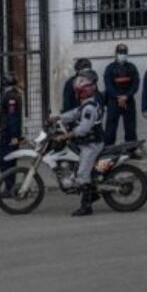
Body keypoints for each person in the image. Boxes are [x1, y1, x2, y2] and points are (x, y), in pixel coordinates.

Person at [52, 70, 104, 217]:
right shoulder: (85, 105)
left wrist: (65, 136)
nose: (77, 94)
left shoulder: (90, 108)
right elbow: (74, 113)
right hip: (85, 143)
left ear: (85, 91)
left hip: (91, 144)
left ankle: (86, 207)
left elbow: (83, 129)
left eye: (79, 91)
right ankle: (91, 192)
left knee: (82, 173)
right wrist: (57, 118)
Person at [103, 43, 139, 146]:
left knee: (130, 128)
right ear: (116, 54)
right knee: (110, 128)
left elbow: (135, 84)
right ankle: (108, 150)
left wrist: (126, 96)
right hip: (113, 102)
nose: (122, 55)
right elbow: (108, 85)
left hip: (129, 101)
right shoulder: (110, 68)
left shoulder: (132, 68)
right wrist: (118, 97)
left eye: (124, 53)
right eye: (120, 53)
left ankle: (131, 150)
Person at [0, 75, 24, 192]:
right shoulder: (14, 95)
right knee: (10, 161)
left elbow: (12, 117)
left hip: (8, 134)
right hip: (8, 132)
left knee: (6, 161)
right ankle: (9, 186)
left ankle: (9, 187)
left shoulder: (11, 97)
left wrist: (13, 136)